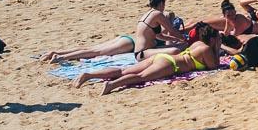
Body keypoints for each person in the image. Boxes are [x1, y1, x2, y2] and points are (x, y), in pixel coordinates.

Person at [74, 22, 224, 94]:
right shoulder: (207, 50)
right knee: (140, 77)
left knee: (123, 70)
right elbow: (214, 66)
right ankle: (112, 85)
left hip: (163, 57)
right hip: (171, 64)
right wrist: (217, 48)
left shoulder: (198, 43)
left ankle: (88, 75)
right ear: (212, 39)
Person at [42, 0, 183, 62]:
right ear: (161, 4)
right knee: (95, 52)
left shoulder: (149, 15)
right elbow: (170, 32)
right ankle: (61, 57)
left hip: (131, 41)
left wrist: (175, 37)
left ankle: (58, 53)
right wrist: (182, 38)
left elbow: (160, 35)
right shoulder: (159, 15)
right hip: (134, 47)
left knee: (92, 49)